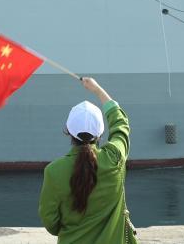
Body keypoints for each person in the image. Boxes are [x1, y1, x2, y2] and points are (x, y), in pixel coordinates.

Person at [39, 75, 134, 244]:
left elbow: (50, 222)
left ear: (68, 131)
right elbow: (121, 124)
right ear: (100, 133)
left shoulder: (53, 171)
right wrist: (97, 90)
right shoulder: (114, 158)